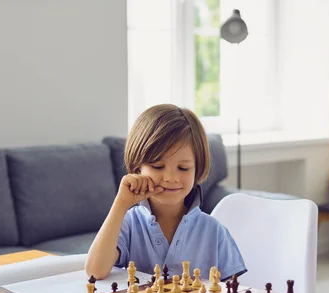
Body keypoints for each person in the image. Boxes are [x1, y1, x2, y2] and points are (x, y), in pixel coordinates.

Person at [85, 104, 246, 281]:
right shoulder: (129, 224)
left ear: (197, 170)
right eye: (157, 166)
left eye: (183, 168)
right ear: (138, 168)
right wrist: (121, 203)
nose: (170, 177)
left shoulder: (214, 232)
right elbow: (95, 271)